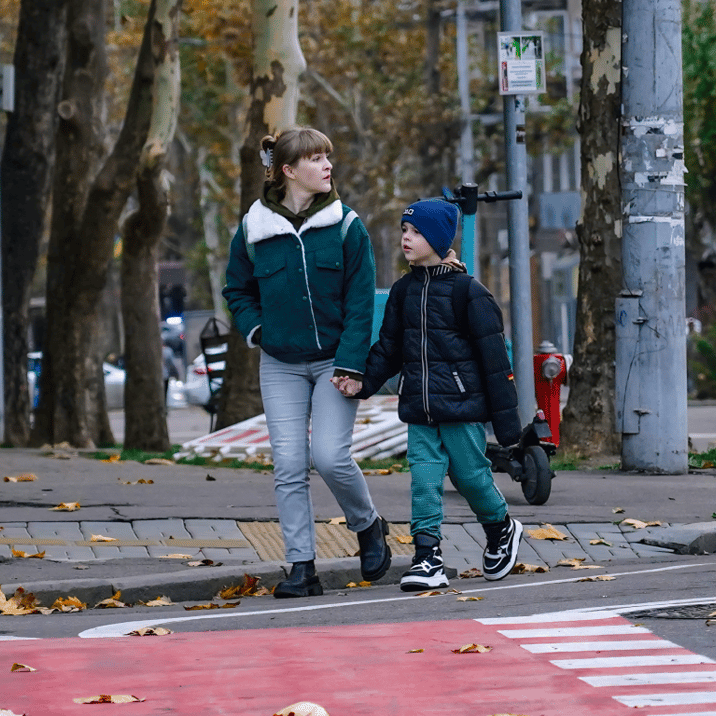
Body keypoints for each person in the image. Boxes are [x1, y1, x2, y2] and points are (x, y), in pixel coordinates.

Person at [222, 127, 390, 598]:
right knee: (289, 465)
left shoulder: (345, 225)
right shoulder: (255, 228)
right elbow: (236, 289)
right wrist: (258, 331)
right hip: (280, 363)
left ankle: (368, 524)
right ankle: (301, 567)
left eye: (327, 157)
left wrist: (352, 364)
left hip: (336, 360)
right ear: (289, 171)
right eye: (315, 159)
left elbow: (361, 303)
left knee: (331, 457)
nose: (327, 166)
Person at [336, 198, 523, 592]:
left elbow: (494, 361)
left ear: (437, 238)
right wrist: (362, 382)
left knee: (472, 479)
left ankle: (501, 527)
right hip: (420, 410)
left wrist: (508, 425)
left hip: (460, 409)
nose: (406, 238)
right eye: (404, 230)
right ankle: (427, 557)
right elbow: (388, 349)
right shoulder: (403, 292)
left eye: (416, 232)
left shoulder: (468, 293)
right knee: (423, 482)